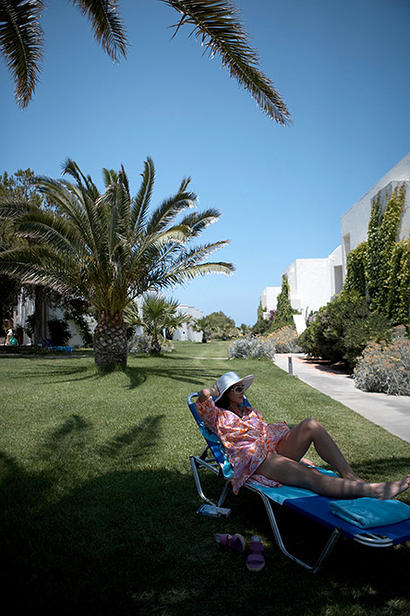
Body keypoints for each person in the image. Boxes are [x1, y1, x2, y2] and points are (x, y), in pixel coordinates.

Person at [197, 371, 410, 500]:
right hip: (257, 460)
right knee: (312, 477)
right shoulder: (217, 416)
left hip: (273, 449)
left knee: (311, 424)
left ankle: (349, 475)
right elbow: (202, 399)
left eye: (242, 387)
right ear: (225, 394)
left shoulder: (247, 410)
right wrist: (213, 393)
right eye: (236, 389)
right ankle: (376, 491)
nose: (242, 391)